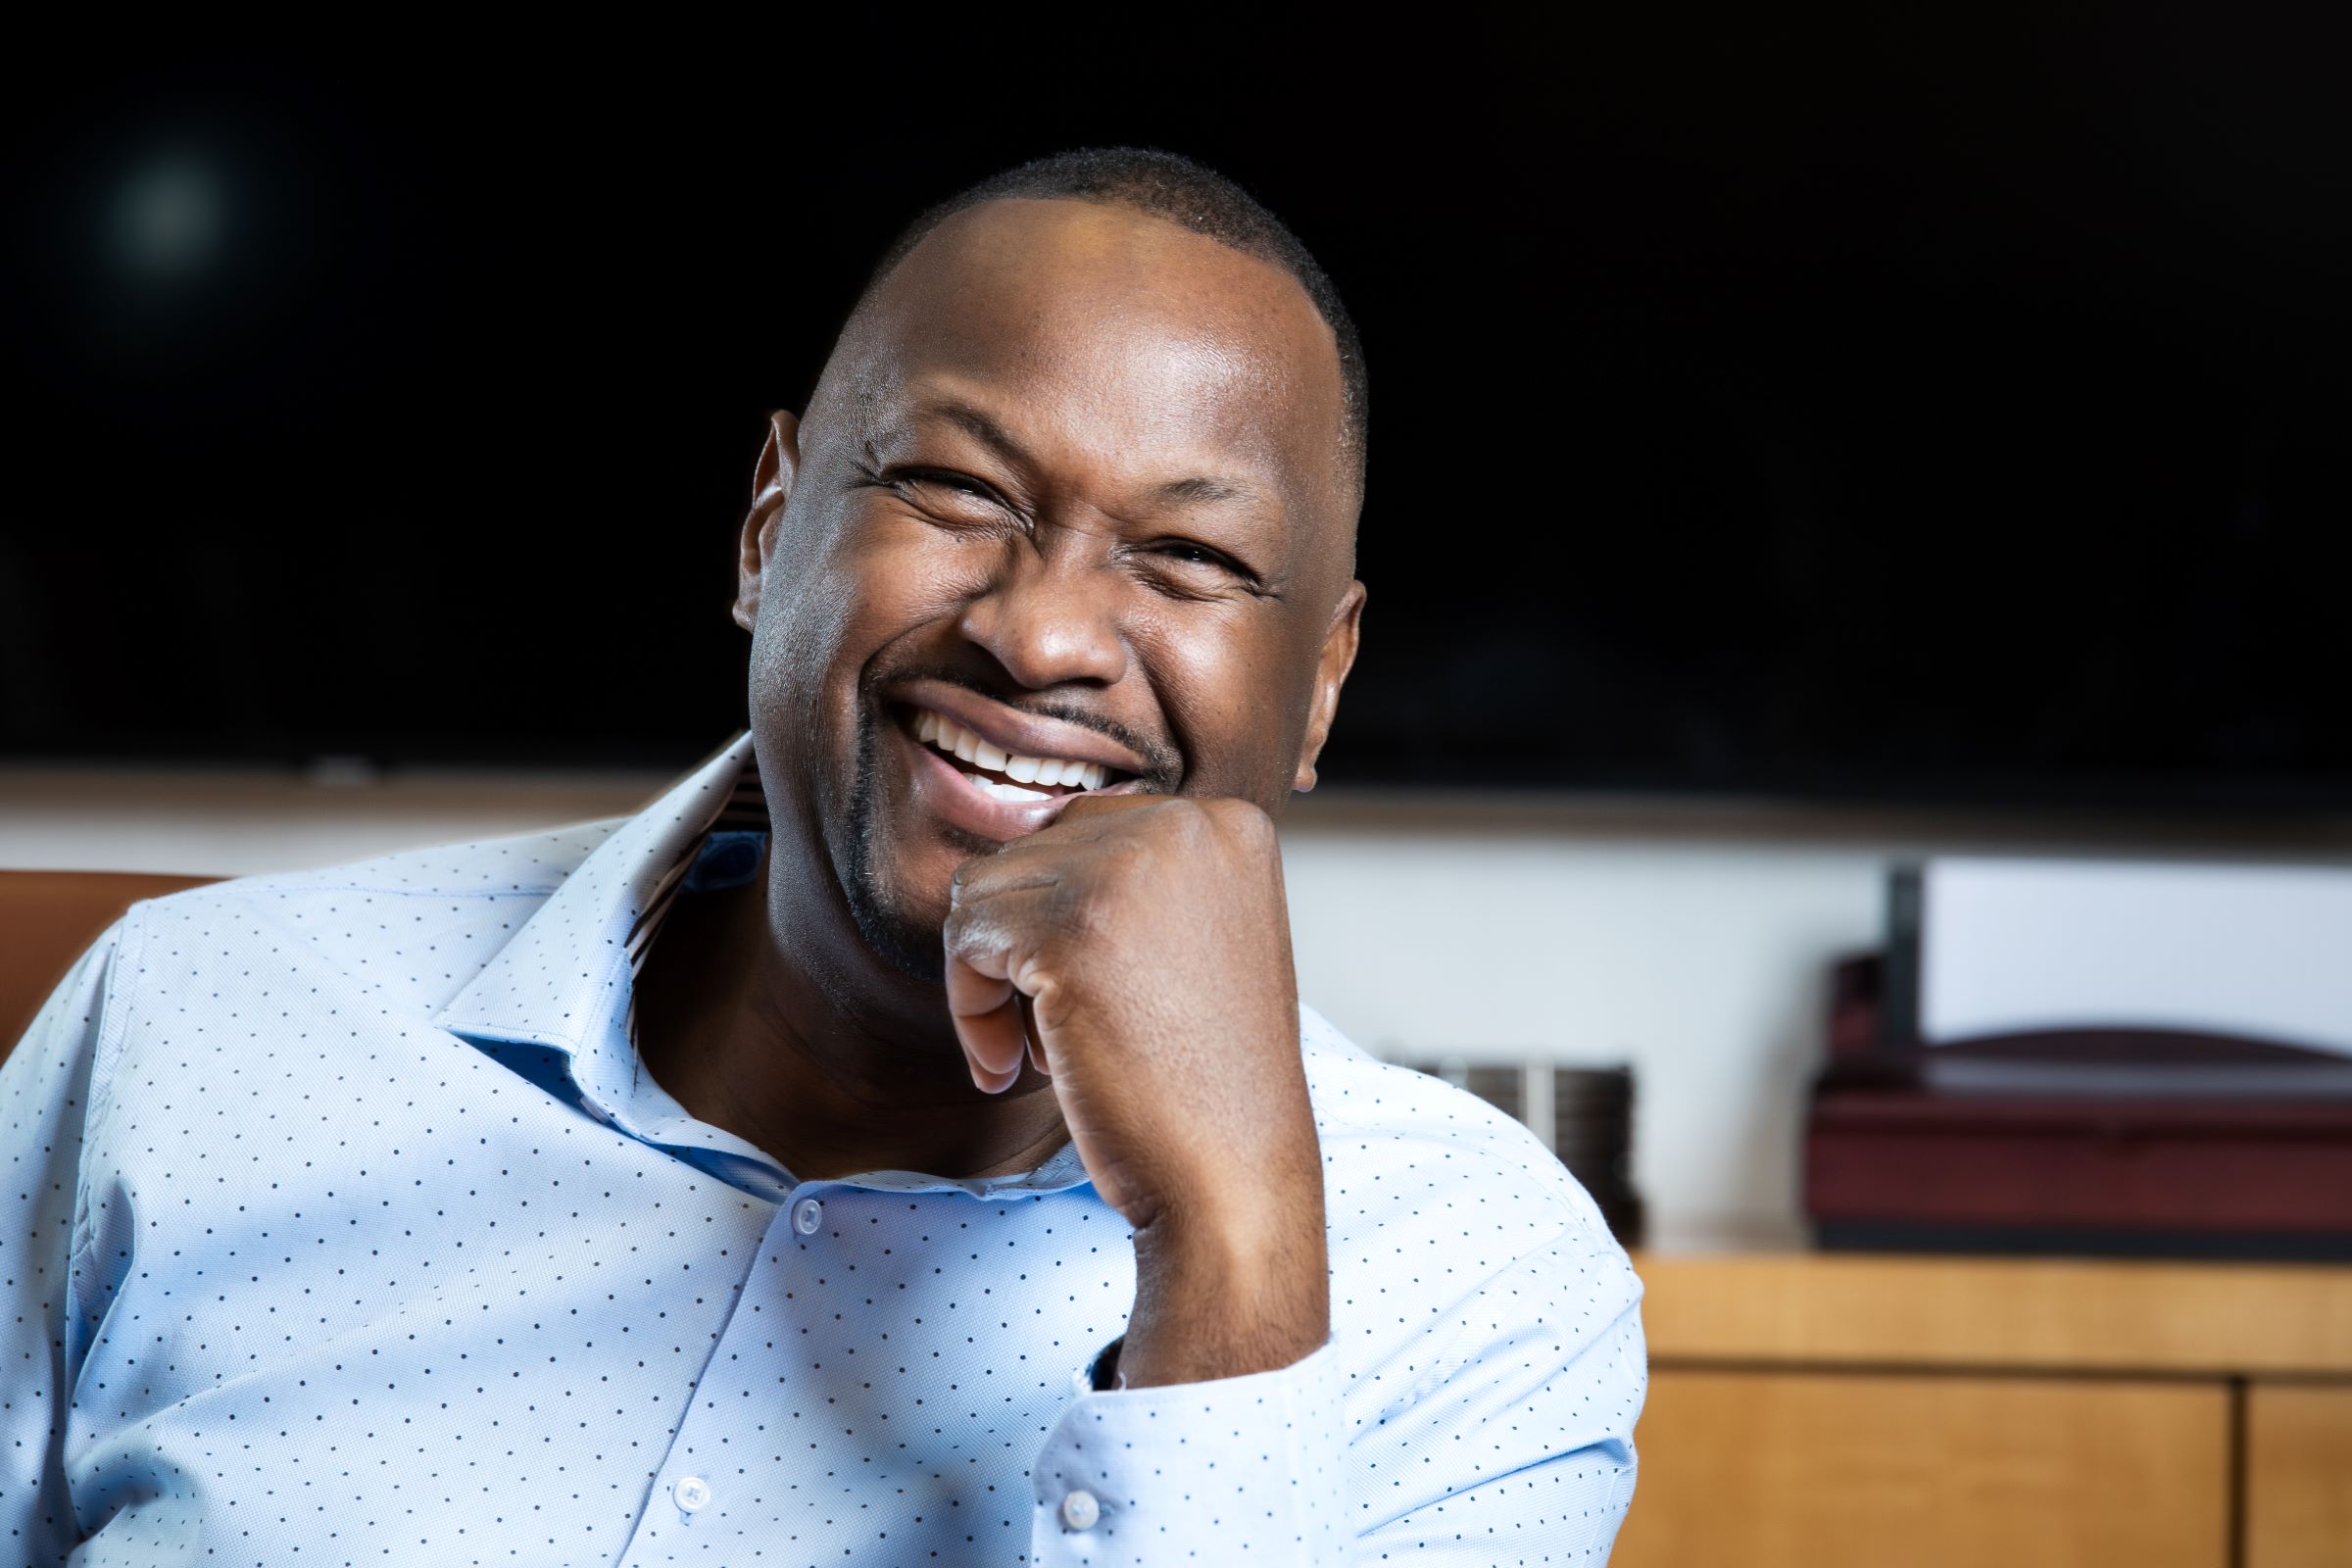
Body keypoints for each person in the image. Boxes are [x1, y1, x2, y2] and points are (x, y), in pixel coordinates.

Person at [0, 148, 1643, 1564]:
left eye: (1191, 556)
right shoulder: (188, 1025)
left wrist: (1230, 1270)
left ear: (1324, 685)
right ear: (770, 529)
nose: (1045, 632)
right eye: (953, 486)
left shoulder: (1480, 1292)